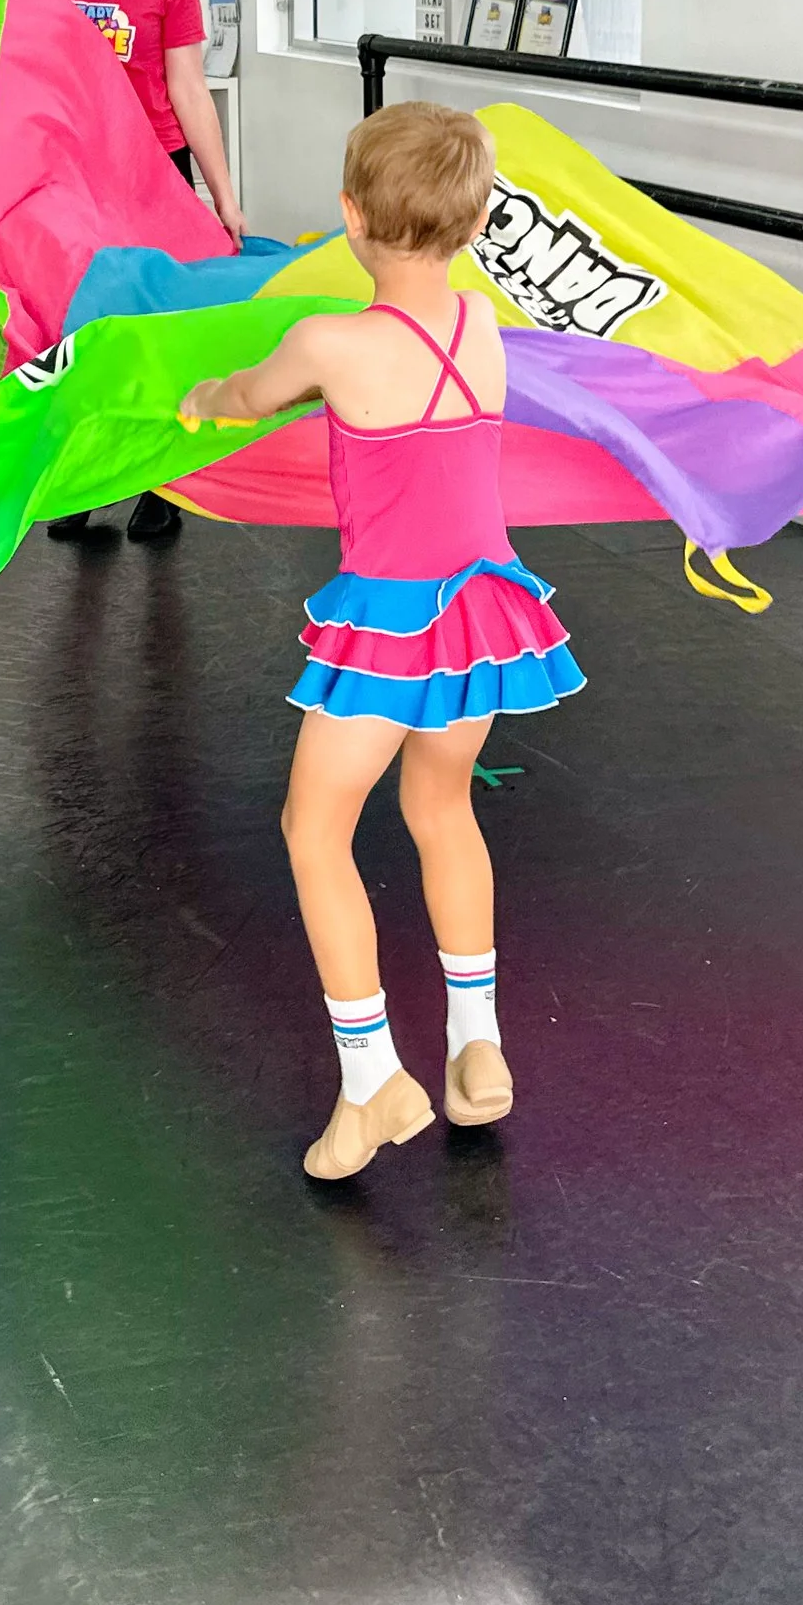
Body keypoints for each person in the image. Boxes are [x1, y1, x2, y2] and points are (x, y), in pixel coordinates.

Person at [179, 103, 583, 1179]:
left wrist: (197, 399)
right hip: (484, 617)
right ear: (478, 221)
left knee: (315, 833)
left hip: (388, 625)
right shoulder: (483, 328)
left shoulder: (329, 342)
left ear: (350, 215)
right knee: (440, 809)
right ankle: (475, 1043)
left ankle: (373, 1085)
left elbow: (245, 397)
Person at [25, 0, 243, 544]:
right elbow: (16, 83)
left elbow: (188, 87)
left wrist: (223, 194)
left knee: (154, 324)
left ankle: (161, 483)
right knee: (78, 327)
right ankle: (85, 475)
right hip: (71, 177)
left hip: (153, 175)